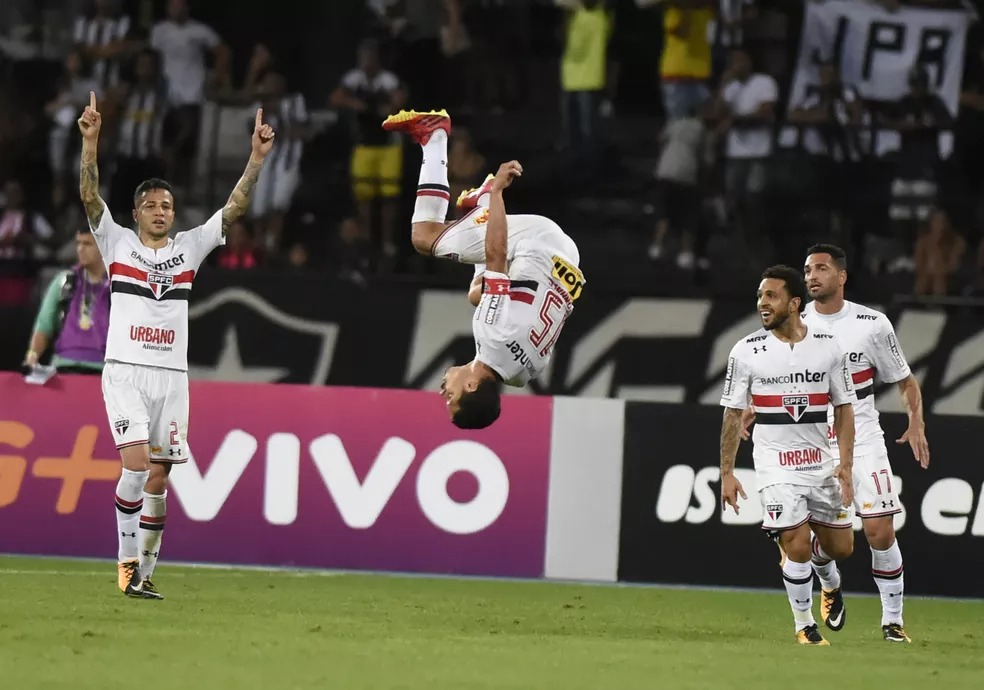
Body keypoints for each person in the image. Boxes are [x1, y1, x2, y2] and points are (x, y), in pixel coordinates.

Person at [77, 91, 274, 599]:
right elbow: (89, 197)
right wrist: (91, 142)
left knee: (160, 478)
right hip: (125, 369)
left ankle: (145, 571)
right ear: (136, 213)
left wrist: (255, 159)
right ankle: (124, 564)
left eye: (167, 205)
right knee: (137, 466)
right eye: (151, 205)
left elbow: (232, 210)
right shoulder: (116, 242)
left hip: (173, 376)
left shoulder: (190, 246)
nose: (161, 211)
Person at [743, 244, 928, 643]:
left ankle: (892, 621)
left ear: (841, 277)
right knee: (826, 544)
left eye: (821, 269)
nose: (811, 276)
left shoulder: (871, 324)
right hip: (810, 443)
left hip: (862, 440)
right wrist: (751, 407)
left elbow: (904, 379)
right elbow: (772, 374)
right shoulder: (792, 320)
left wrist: (916, 423)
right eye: (808, 269)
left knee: (880, 531)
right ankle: (828, 584)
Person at [381, 109, 585, 429]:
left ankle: (480, 208)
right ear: (472, 386)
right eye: (451, 398)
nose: (442, 393)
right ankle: (435, 136)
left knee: (479, 295)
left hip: (567, 259)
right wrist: (498, 194)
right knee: (425, 236)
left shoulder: (522, 375)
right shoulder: (492, 337)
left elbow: (550, 309)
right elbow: (496, 255)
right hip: (535, 241)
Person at [720, 265, 856, 646]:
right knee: (794, 544)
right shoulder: (746, 351)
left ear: (795, 304)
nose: (762, 303)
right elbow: (732, 413)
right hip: (774, 464)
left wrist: (845, 465)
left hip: (821, 463)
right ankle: (805, 626)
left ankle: (829, 580)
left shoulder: (829, 348)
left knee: (840, 549)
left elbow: (844, 407)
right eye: (760, 295)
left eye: (771, 296)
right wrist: (726, 472)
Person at [23, 226, 110, 374]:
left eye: (87, 244)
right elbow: (44, 326)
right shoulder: (64, 281)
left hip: (104, 371)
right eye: (78, 243)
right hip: (63, 367)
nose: (80, 249)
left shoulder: (120, 286)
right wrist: (32, 356)